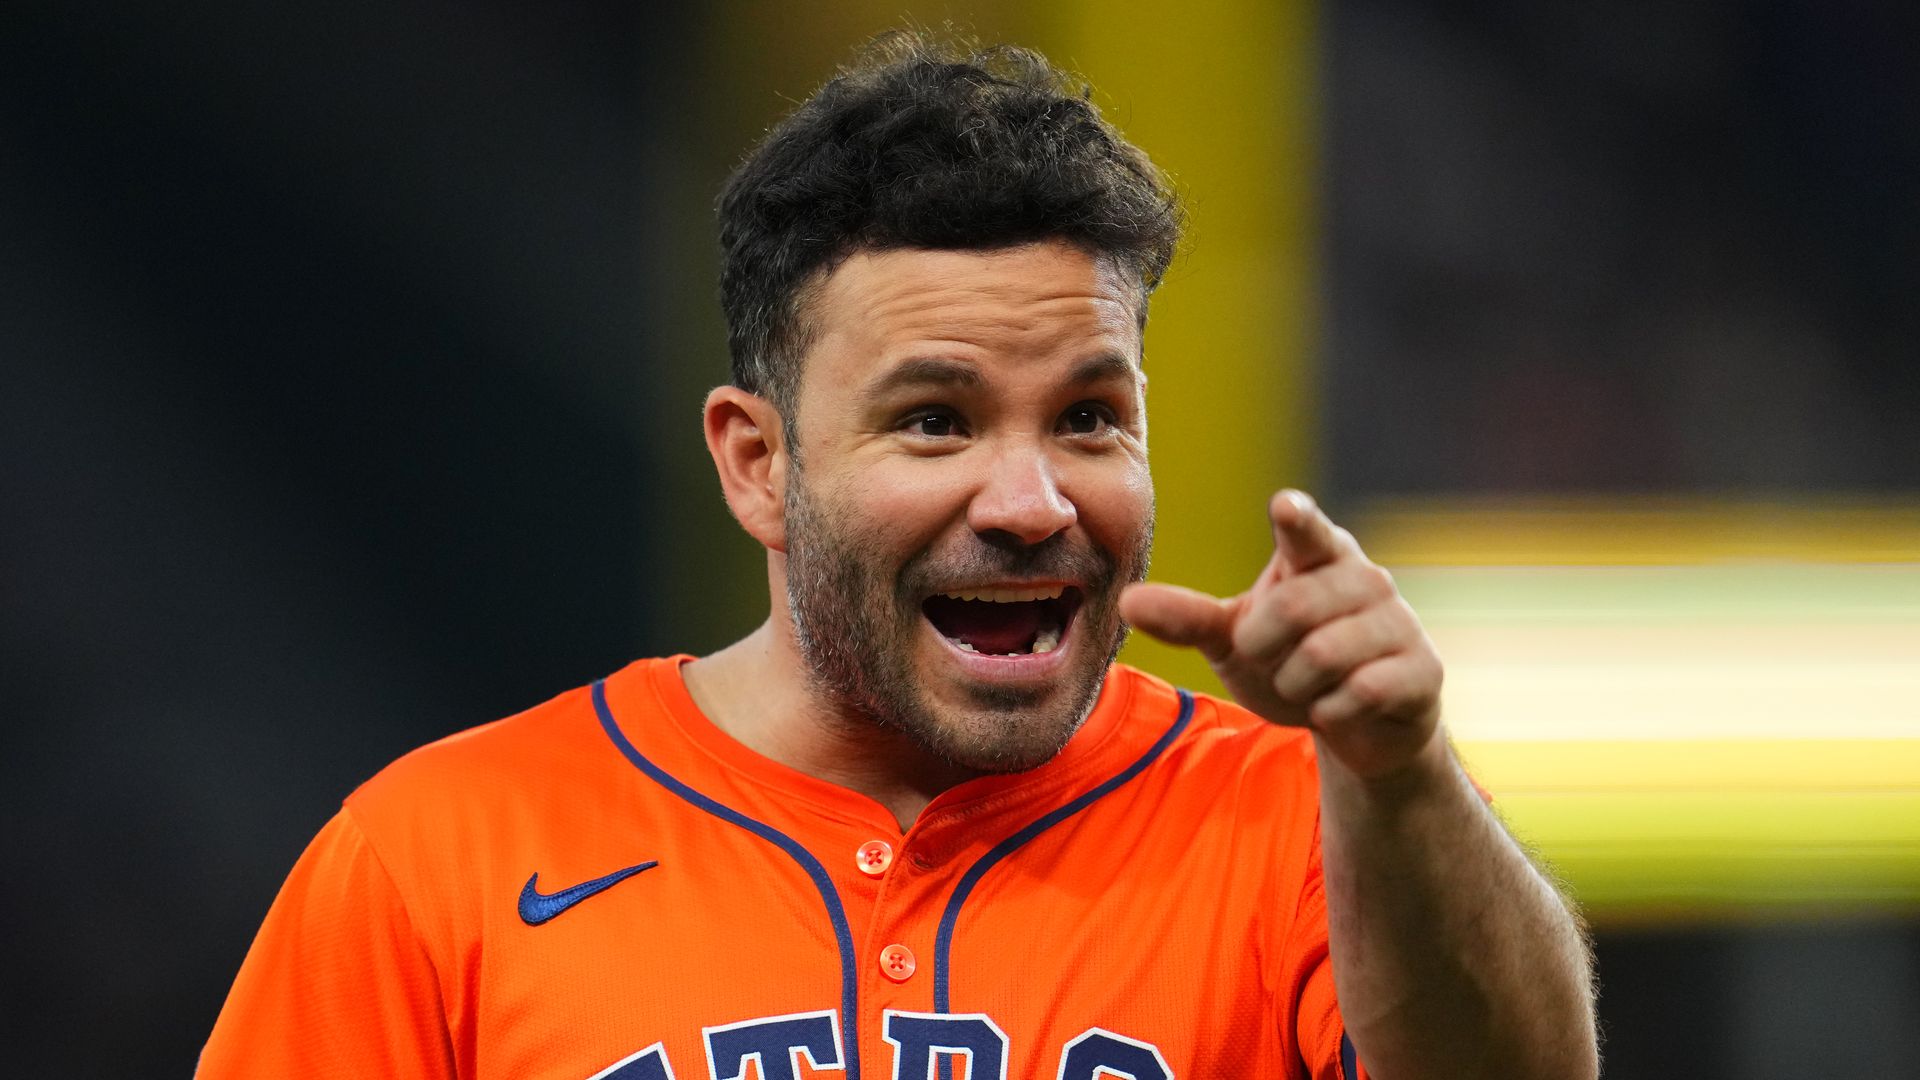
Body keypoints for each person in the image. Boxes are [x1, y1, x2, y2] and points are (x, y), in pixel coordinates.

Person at [200, 31, 1598, 1080]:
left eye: (1090, 417)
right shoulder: (437, 859)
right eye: (935, 420)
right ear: (758, 464)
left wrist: (1400, 772)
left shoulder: (1305, 825)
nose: (1033, 501)